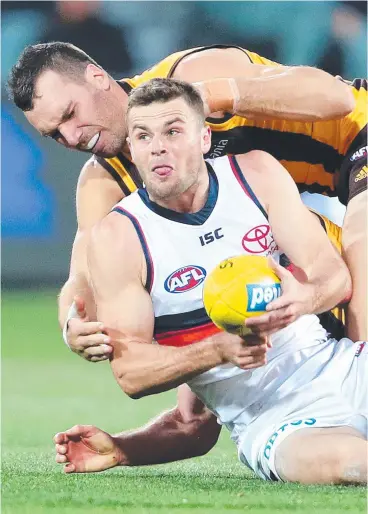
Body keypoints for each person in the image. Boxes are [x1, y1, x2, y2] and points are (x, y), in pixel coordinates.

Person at [54, 79, 366, 484]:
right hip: (275, 423)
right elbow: (132, 373)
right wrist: (218, 350)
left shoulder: (255, 173)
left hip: (343, 367)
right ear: (132, 148)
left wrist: (304, 299)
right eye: (143, 136)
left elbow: (334, 276)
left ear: (204, 138)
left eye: (173, 131)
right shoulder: (118, 238)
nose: (158, 146)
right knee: (351, 462)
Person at [7, 42, 367, 343]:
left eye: (71, 114)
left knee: (361, 243)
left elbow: (338, 98)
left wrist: (213, 95)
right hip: (312, 196)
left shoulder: (189, 74)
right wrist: (73, 323)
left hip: (359, 135)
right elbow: (82, 274)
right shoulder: (104, 179)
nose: (71, 138)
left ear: (98, 78)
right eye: (55, 134)